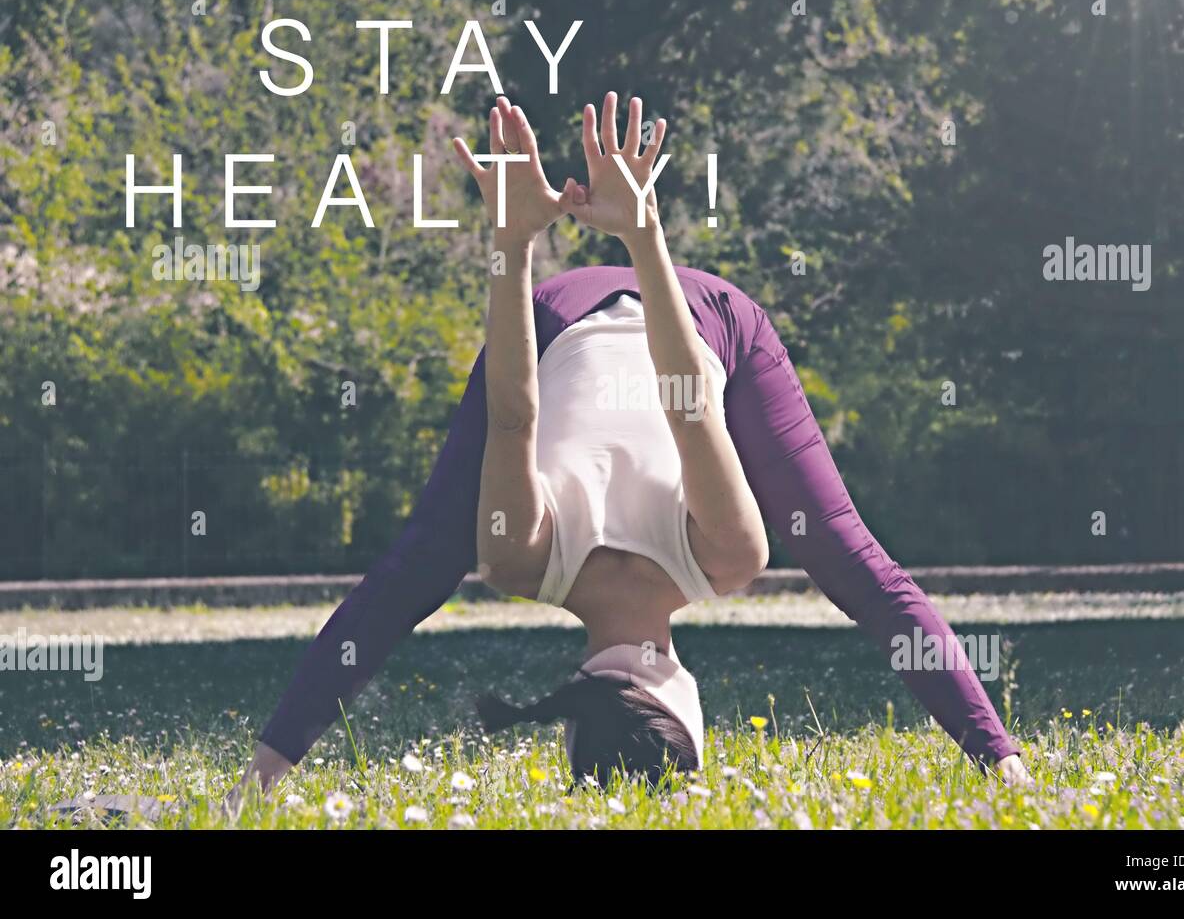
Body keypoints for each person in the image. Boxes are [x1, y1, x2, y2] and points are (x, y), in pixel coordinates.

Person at [229, 93, 1028, 801]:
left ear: (686, 699)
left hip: (577, 320)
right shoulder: (521, 559)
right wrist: (522, 249)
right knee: (415, 569)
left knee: (846, 558)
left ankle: (1006, 767)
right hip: (654, 319)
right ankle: (258, 782)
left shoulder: (726, 558)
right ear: (576, 700)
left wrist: (629, 240)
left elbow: (683, 412)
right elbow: (556, 417)